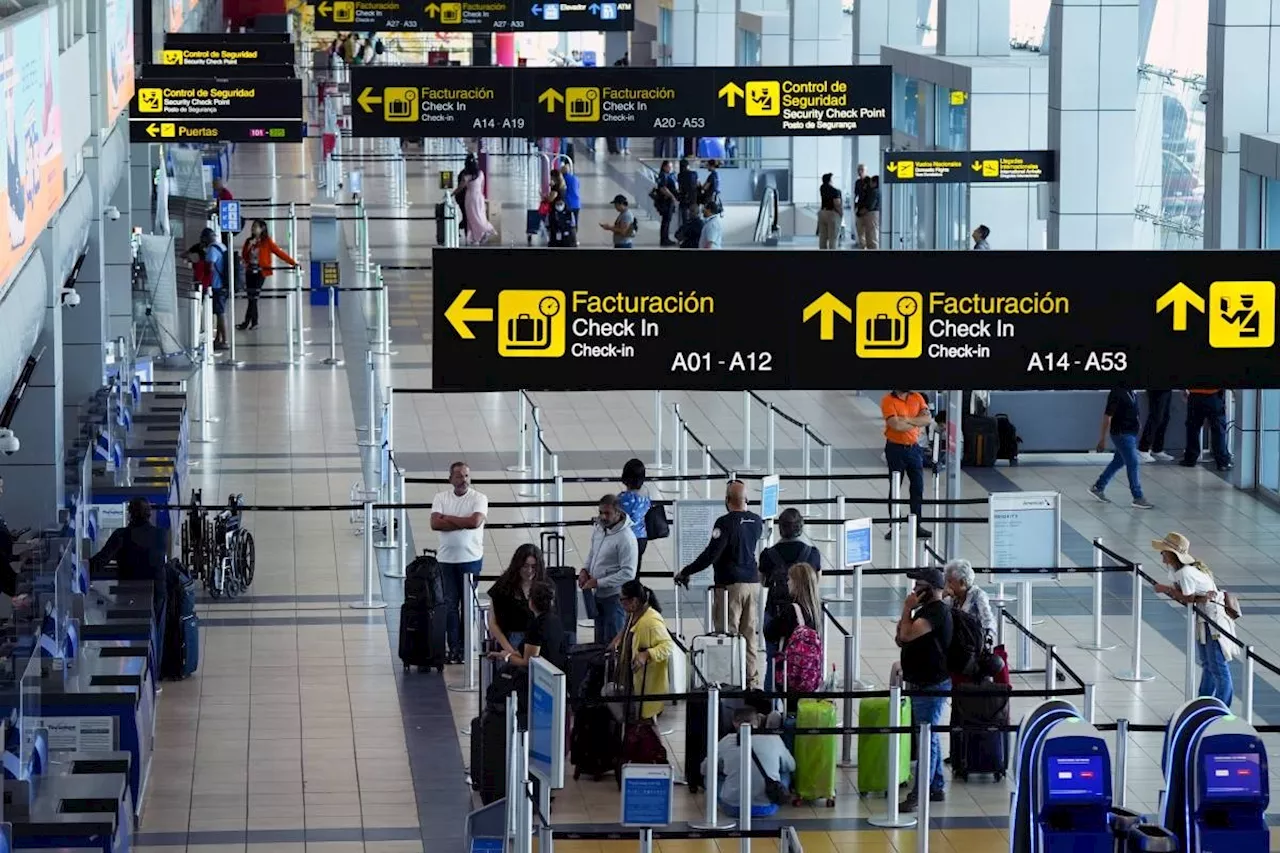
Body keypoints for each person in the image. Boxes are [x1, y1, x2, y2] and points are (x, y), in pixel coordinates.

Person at [676, 480, 765, 689]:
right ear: (747, 500)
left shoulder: (724, 523)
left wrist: (687, 571)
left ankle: (730, 681)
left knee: (727, 635)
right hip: (752, 583)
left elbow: (711, 555)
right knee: (749, 635)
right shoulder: (757, 521)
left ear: (727, 500)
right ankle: (751, 681)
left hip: (729, 587)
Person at [1151, 532, 1236, 706]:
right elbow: (1186, 596)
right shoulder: (1177, 571)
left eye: (1164, 552)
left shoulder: (1185, 573)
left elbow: (1187, 598)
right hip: (1203, 618)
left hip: (1213, 620)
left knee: (1218, 666)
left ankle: (1222, 707)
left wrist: (1165, 589)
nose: (1161, 555)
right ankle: (1203, 702)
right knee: (1208, 664)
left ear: (1172, 554)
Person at [895, 567, 953, 811]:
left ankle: (920, 793)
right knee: (929, 734)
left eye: (919, 585)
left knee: (925, 738)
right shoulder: (925, 611)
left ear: (930, 589)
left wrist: (907, 608)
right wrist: (908, 614)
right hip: (921, 681)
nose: (914, 589)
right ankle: (936, 784)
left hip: (931, 684)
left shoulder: (937, 612)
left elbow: (906, 634)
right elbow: (900, 637)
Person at [430, 462, 489, 664]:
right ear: (450, 479)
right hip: (446, 561)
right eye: (458, 476)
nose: (463, 480)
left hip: (471, 560)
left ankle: (464, 647)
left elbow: (474, 522)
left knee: (468, 605)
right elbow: (435, 523)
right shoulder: (441, 497)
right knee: (450, 605)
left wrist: (449, 519)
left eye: (466, 476)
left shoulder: (479, 498)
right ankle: (453, 647)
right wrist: (461, 522)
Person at [758, 508, 821, 689]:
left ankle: (772, 705)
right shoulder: (812, 553)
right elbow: (816, 580)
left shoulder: (768, 555)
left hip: (775, 612)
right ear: (800, 527)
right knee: (806, 657)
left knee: (773, 660)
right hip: (806, 613)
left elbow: (763, 582)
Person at [702, 705, 795, 816]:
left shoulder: (726, 741)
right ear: (758, 720)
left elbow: (704, 769)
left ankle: (718, 803)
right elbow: (791, 766)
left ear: (734, 723)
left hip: (733, 808)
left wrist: (724, 767)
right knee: (785, 772)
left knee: (709, 775)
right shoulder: (773, 738)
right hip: (768, 807)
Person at [88, 498, 168, 627]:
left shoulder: (122, 535)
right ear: (149, 514)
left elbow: (101, 560)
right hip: (157, 592)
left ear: (130, 514)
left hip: (130, 593)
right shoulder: (161, 534)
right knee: (156, 629)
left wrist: (81, 568)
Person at [611, 580, 676, 723]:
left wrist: (646, 655)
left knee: (647, 725)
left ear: (634, 601)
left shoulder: (651, 621)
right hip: (633, 682)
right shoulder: (634, 614)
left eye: (622, 599)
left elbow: (667, 645)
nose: (620, 603)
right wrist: (618, 640)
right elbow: (628, 629)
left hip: (646, 686)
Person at [579, 494, 639, 644]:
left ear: (619, 513)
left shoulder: (626, 539)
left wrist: (599, 582)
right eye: (600, 512)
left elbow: (628, 573)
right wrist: (584, 570)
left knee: (613, 642)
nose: (603, 517)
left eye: (607, 513)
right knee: (599, 641)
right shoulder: (600, 529)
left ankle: (613, 667)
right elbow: (593, 552)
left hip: (615, 598)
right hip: (598, 596)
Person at [762, 561, 820, 699]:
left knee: (789, 709)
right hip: (810, 673)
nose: (787, 583)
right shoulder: (815, 610)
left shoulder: (792, 610)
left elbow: (770, 631)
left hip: (792, 672)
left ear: (796, 584)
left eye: (790, 580)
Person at [1089, 388, 1154, 509]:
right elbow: (1107, 416)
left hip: (1130, 432)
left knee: (1118, 461)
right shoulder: (1117, 392)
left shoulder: (1131, 392)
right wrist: (1102, 439)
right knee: (1133, 462)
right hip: (1121, 433)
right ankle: (1137, 496)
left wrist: (1137, 422)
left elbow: (1132, 410)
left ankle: (1098, 486)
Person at [881, 390, 933, 540]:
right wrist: (916, 420)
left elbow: (927, 419)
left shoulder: (916, 397)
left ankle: (916, 525)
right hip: (895, 449)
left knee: (917, 487)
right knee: (895, 488)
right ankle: (894, 526)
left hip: (914, 448)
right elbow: (896, 425)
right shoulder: (888, 400)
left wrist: (907, 420)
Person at [487, 581, 567, 674]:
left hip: (542, 676)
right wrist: (502, 655)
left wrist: (507, 658)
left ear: (531, 602)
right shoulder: (555, 620)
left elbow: (528, 662)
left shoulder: (537, 626)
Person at [486, 544, 547, 659]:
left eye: (534, 567)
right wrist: (510, 651)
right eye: (525, 566)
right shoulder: (503, 587)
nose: (529, 571)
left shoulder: (546, 585)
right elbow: (493, 623)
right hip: (511, 640)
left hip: (538, 641)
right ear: (517, 565)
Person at [238, 219, 298, 331]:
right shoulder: (248, 241)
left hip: (261, 272)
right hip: (250, 271)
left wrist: (293, 263)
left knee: (254, 297)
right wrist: (249, 246)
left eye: (256, 226)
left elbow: (279, 253)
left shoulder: (267, 242)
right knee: (251, 298)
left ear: (262, 229)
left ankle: (248, 322)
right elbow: (245, 257)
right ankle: (252, 322)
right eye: (253, 226)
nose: (253, 228)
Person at [942, 558, 994, 644]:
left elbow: (987, 619)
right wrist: (942, 595)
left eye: (950, 581)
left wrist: (987, 637)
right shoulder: (952, 598)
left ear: (962, 582)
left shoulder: (978, 595)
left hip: (972, 643)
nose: (947, 585)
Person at [1180, 389, 1233, 471]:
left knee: (1193, 428)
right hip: (1214, 395)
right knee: (1218, 430)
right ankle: (1222, 463)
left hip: (1195, 395)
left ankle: (1190, 459)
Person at [617, 458, 652, 569]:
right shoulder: (645, 495)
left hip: (626, 539)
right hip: (642, 537)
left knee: (624, 572)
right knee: (635, 571)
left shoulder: (624, 498)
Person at [199, 228, 229, 351]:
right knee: (219, 311)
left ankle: (225, 340)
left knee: (220, 313)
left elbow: (210, 267)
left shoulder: (212, 249)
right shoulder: (221, 246)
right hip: (225, 283)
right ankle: (218, 339)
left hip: (218, 284)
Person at [462, 165, 496, 245]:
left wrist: (452, 194)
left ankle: (485, 231)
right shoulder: (481, 174)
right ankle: (477, 237)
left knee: (472, 218)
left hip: (470, 198)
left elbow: (461, 187)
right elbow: (482, 186)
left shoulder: (467, 176)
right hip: (479, 197)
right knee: (480, 216)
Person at [1139, 390, 1174, 462]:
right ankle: (1143, 449)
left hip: (1167, 388)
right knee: (1156, 417)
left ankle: (1157, 449)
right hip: (1157, 388)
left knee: (1165, 417)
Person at [652, 160, 679, 246]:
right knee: (666, 221)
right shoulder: (663, 175)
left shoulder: (669, 175)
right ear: (664, 167)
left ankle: (665, 238)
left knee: (667, 221)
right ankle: (664, 239)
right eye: (669, 167)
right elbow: (663, 188)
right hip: (665, 201)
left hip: (669, 201)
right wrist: (672, 196)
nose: (670, 169)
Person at [817, 173, 842, 249]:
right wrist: (841, 213)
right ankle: (832, 256)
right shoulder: (835, 191)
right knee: (833, 237)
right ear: (830, 180)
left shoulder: (822, 188)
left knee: (823, 237)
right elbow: (837, 204)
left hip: (822, 213)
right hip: (832, 213)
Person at [560, 162, 581, 227]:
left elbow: (562, 189)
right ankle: (575, 232)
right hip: (577, 203)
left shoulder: (563, 179)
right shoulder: (576, 178)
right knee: (576, 220)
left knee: (565, 220)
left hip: (568, 203)